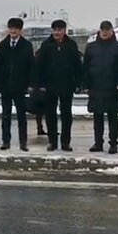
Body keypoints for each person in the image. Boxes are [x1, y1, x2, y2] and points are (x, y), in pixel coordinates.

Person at [36, 19, 82, 151]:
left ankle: (65, 142)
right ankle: (52, 141)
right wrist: (40, 84)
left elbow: (77, 65)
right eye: (55, 30)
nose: (57, 32)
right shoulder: (46, 45)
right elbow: (39, 66)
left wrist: (78, 83)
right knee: (50, 115)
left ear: (64, 31)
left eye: (59, 30)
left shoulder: (71, 45)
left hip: (67, 85)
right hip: (49, 86)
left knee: (66, 115)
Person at [83, 21, 118, 154]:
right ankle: (98, 143)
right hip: (96, 86)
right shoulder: (91, 47)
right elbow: (86, 67)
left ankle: (113, 144)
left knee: (112, 116)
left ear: (112, 31)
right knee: (97, 116)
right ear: (99, 31)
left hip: (112, 87)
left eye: (107, 30)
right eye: (103, 30)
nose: (105, 32)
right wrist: (85, 84)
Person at [0, 17, 34, 151]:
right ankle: (6, 141)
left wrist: (30, 84)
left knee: (21, 116)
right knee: (5, 115)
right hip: (5, 86)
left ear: (20, 30)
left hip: (20, 85)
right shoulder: (3, 45)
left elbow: (31, 66)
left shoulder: (26, 46)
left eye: (16, 28)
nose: (13, 31)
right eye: (11, 28)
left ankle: (23, 142)